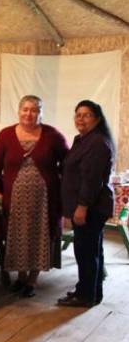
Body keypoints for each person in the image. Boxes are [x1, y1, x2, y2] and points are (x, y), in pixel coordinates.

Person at [0, 95, 68, 298]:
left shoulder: (53, 136)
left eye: (34, 109)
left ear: (41, 112)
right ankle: (21, 276)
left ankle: (32, 280)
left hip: (43, 200)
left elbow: (67, 163)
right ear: (19, 111)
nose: (29, 113)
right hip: (15, 199)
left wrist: (60, 183)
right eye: (25, 109)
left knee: (39, 236)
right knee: (16, 235)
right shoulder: (6, 135)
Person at [58, 100, 115, 307]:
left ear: (97, 119)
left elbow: (91, 179)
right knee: (92, 250)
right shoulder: (82, 140)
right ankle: (91, 293)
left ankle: (85, 296)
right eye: (78, 114)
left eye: (87, 115)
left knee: (85, 252)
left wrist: (81, 207)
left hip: (90, 207)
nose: (81, 119)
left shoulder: (97, 142)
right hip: (88, 206)